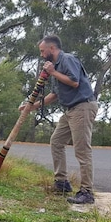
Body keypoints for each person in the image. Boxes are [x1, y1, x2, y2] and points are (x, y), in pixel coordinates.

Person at [22, 35, 98, 204]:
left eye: (43, 51)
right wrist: (31, 106)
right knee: (56, 141)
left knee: (82, 149)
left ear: (52, 49)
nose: (42, 55)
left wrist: (53, 72)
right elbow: (54, 94)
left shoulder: (67, 59)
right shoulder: (55, 67)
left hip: (83, 107)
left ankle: (87, 192)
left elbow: (74, 82)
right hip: (70, 109)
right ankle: (62, 182)